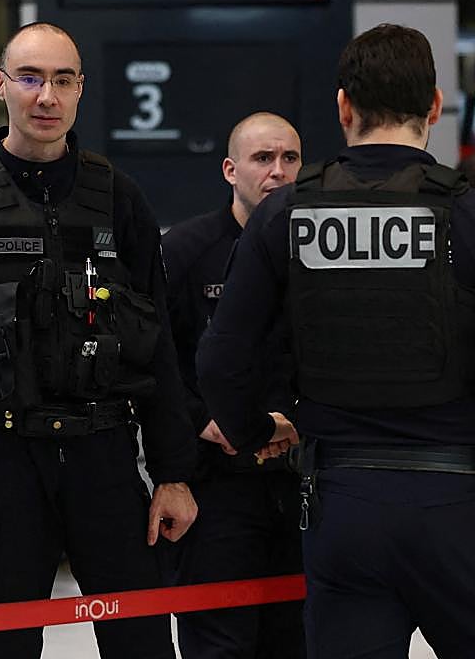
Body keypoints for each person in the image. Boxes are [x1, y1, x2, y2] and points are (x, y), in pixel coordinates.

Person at [196, 24, 475, 659]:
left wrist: (258, 434)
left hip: (339, 509)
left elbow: (220, 360)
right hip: (457, 511)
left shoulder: (286, 216)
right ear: (434, 106)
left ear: (343, 107)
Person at [0, 22, 198, 659]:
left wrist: (173, 473)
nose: (46, 97)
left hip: (107, 458)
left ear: (81, 90)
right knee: (7, 650)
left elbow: (159, 346)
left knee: (142, 642)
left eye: (62, 80)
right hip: (2, 465)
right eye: (30, 79)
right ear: (2, 87)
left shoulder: (120, 200)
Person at [162, 112, 305, 659]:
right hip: (218, 484)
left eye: (289, 159)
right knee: (219, 643)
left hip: (299, 483)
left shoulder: (320, 251)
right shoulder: (185, 250)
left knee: (298, 640)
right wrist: (204, 419)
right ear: (230, 169)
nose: (277, 172)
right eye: (262, 159)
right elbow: (158, 362)